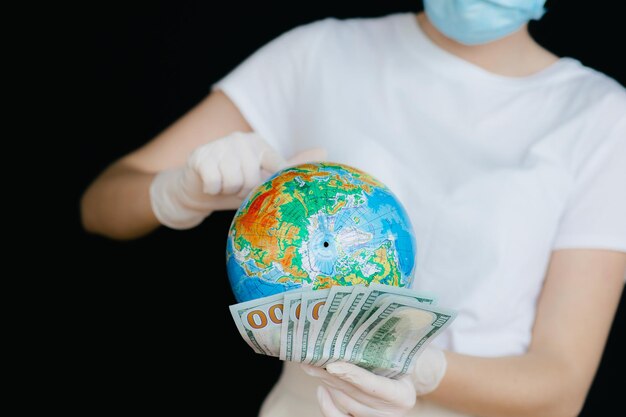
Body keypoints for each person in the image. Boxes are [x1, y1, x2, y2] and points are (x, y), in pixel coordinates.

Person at [81, 0, 626, 416]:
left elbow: (561, 386)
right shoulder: (319, 53)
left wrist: (420, 366)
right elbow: (100, 204)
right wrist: (174, 193)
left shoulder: (602, 116)